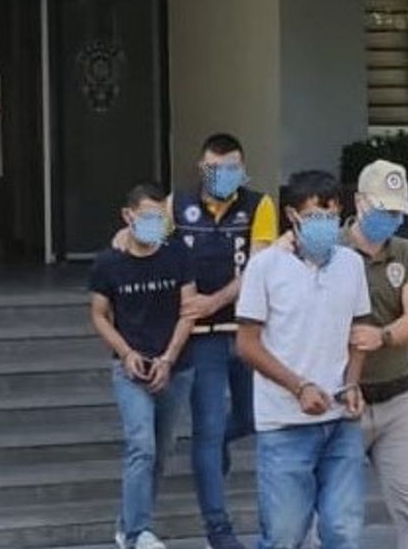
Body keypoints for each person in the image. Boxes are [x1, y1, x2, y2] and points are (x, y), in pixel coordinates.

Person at [114, 133, 277, 549]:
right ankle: (217, 530)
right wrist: (121, 240)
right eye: (216, 168)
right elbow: (148, 241)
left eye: (232, 168)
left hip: (247, 329)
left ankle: (215, 445)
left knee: (250, 419)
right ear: (202, 168)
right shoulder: (177, 205)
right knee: (207, 428)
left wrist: (213, 301)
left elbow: (258, 267)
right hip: (200, 339)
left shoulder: (259, 205)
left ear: (243, 169)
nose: (224, 176)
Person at [235, 170, 371, 549]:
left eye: (331, 215)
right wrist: (299, 386)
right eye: (314, 216)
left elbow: (359, 331)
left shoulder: (351, 264)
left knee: (344, 530)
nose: (324, 224)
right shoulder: (265, 267)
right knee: (284, 535)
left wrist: (352, 381)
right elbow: (247, 344)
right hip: (284, 421)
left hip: (340, 419)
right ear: (292, 216)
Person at [89, 183, 198, 549]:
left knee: (161, 450)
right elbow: (99, 314)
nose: (154, 224)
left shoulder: (177, 255)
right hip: (130, 369)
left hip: (176, 366)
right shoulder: (109, 263)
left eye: (160, 218)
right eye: (147, 216)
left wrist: (169, 358)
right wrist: (125, 352)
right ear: (128, 216)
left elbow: (188, 310)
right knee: (142, 446)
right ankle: (137, 533)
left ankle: (129, 523)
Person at [345, 159, 408, 549]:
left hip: (398, 399)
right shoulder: (331, 250)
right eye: (383, 209)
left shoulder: (407, 254)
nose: (390, 219)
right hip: (344, 402)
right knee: (333, 513)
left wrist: (381, 336)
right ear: (360, 202)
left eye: (396, 212)